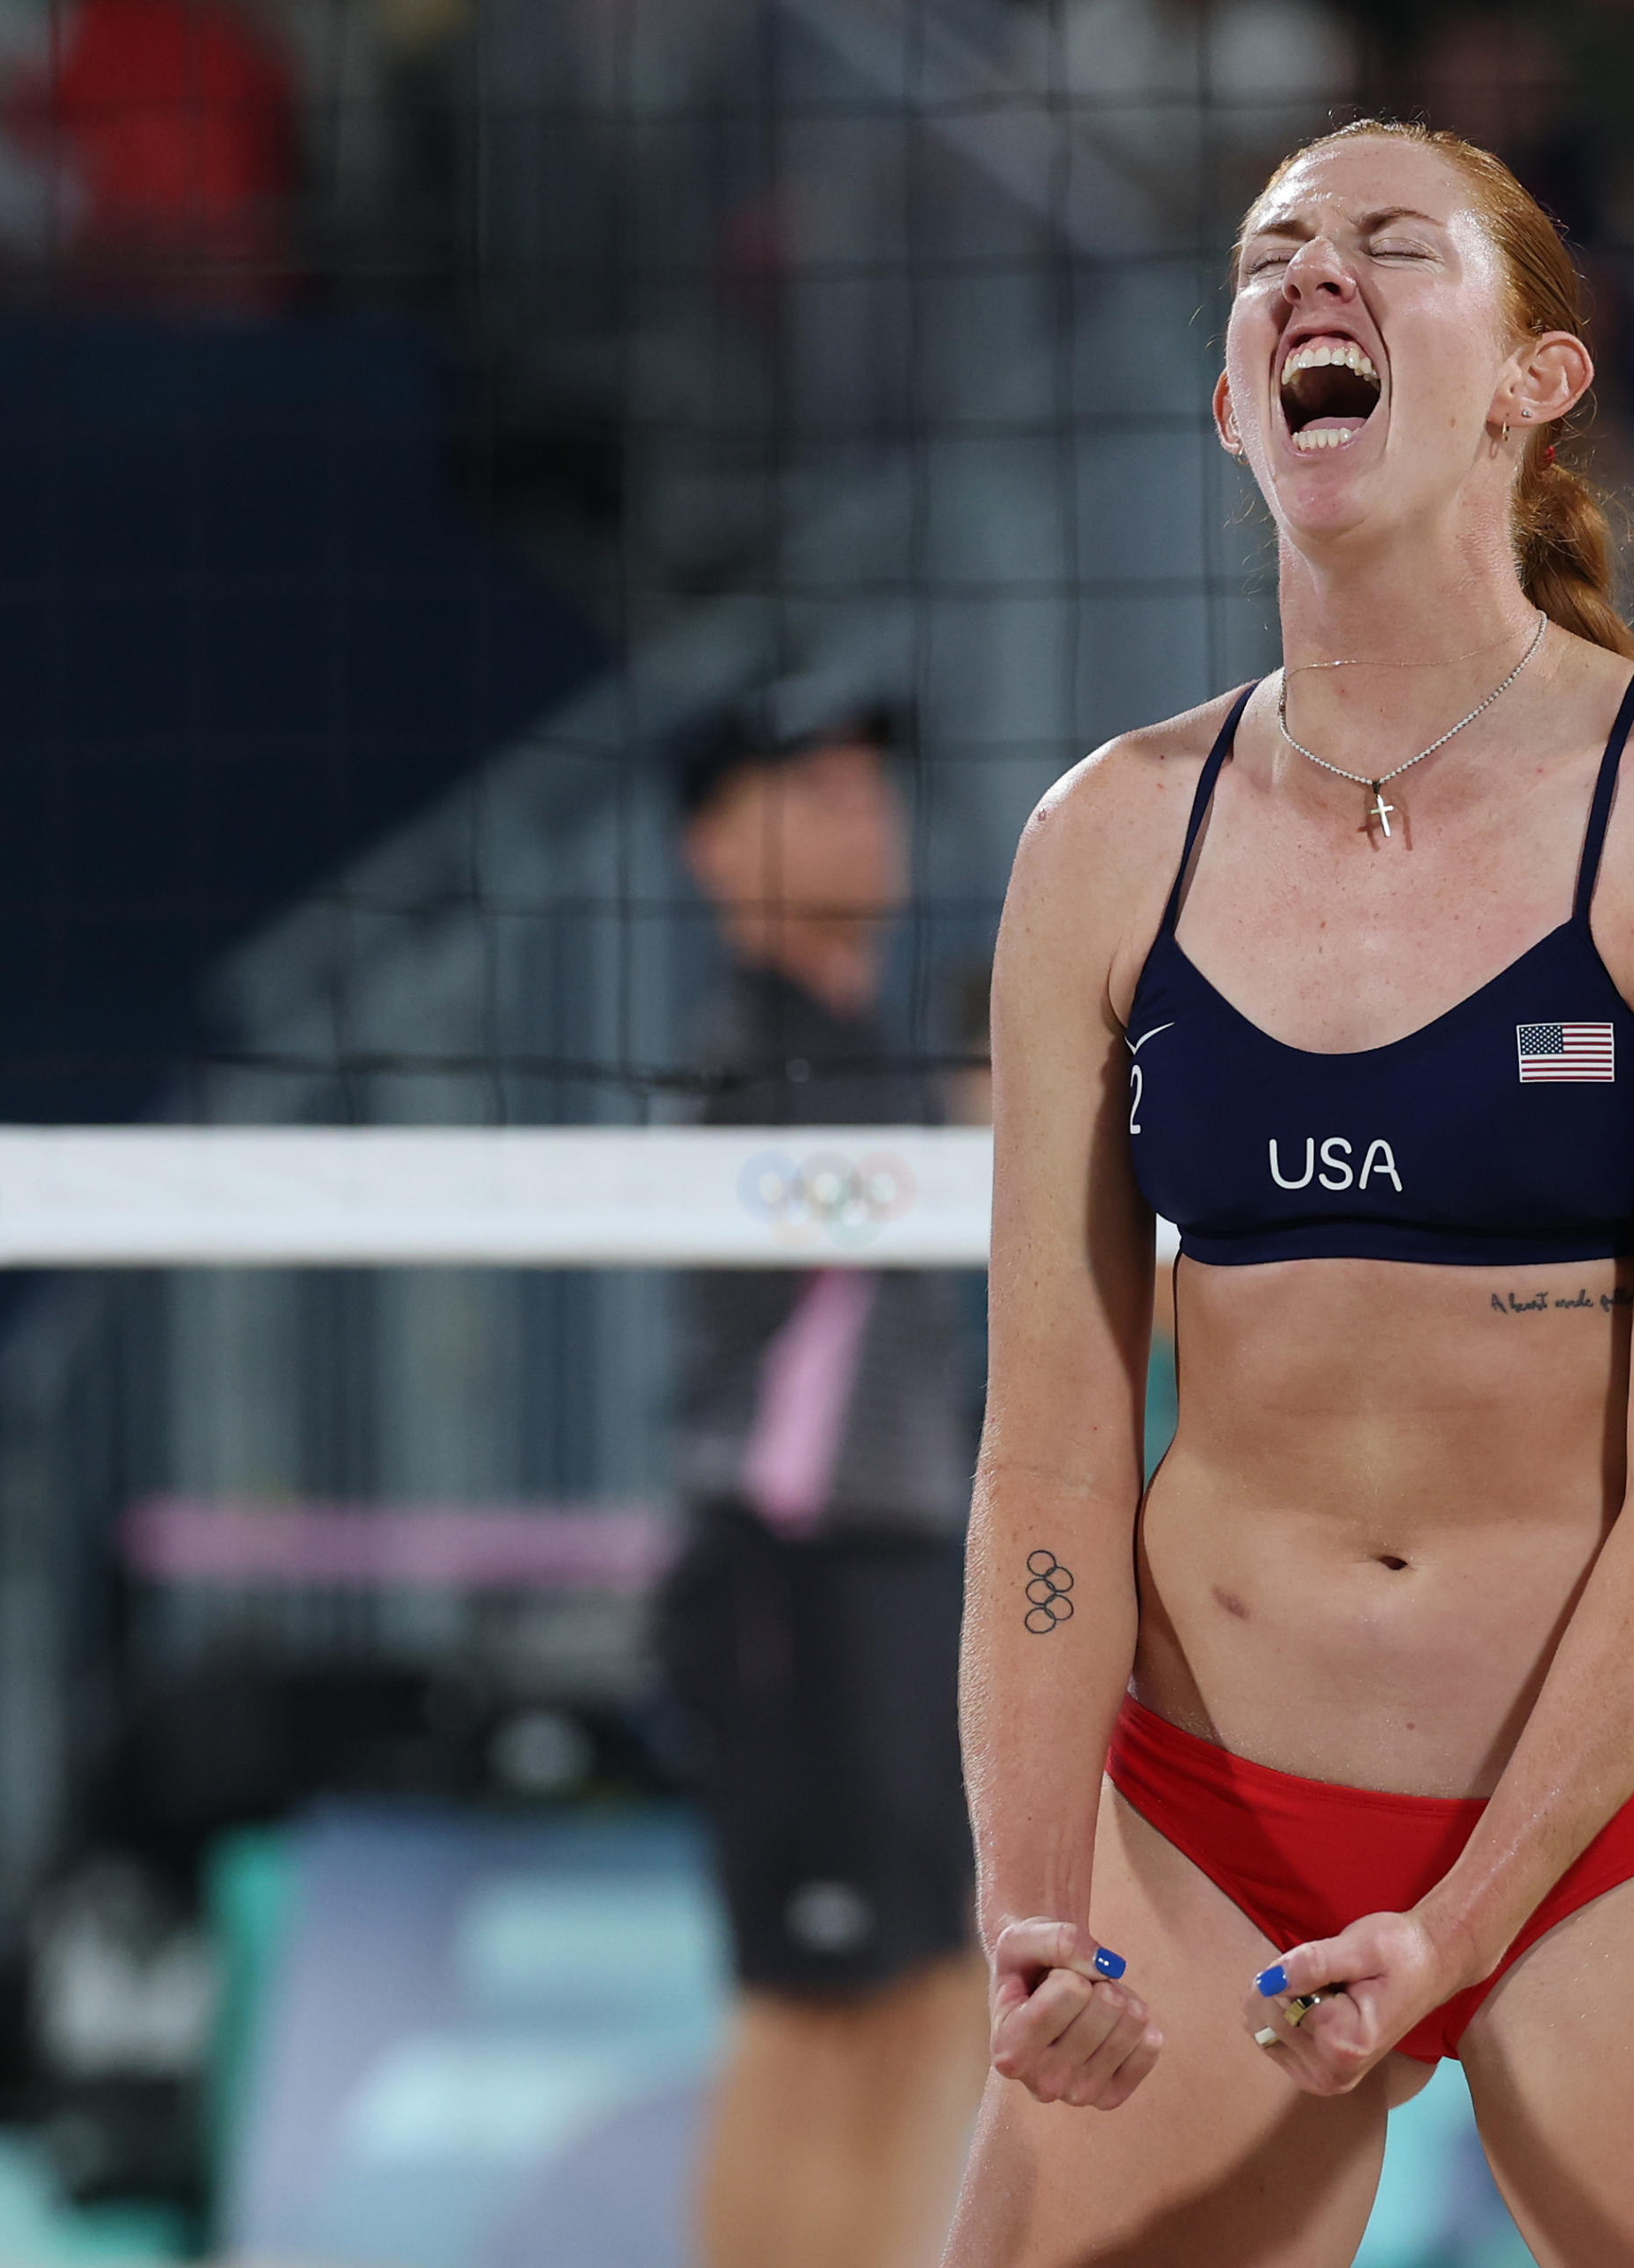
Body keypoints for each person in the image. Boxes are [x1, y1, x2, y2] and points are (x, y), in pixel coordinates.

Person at [946, 120, 1634, 2264]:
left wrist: (1466, 1915)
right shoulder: (1105, 839)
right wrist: (1031, 1900)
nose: (1312, 277)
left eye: (1391, 248)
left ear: (1535, 379)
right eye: (1272, 256)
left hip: (1625, 1831)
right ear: (1233, 403)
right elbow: (1048, 1455)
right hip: (1212, 1815)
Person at [656, 700, 985, 2268]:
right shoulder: (760, 1060)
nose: (863, 808)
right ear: (715, 846)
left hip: (907, 1568)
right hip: (798, 1572)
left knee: (940, 1991)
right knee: (818, 2005)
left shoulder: (877, 1058)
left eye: (871, 783)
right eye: (811, 787)